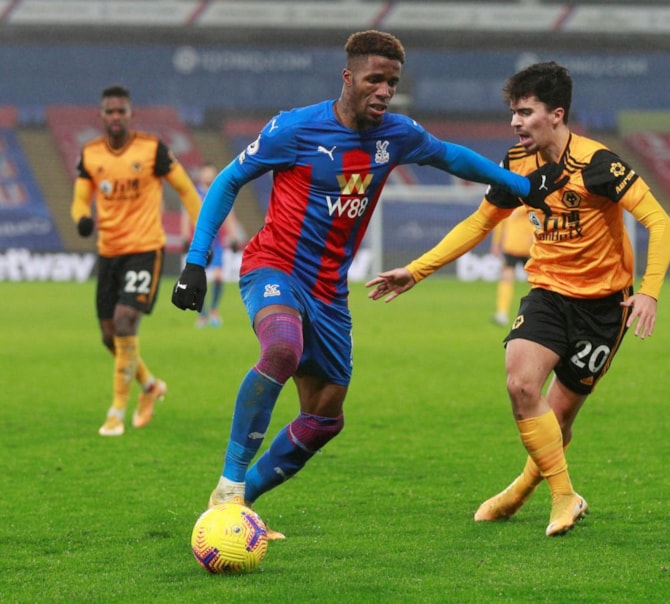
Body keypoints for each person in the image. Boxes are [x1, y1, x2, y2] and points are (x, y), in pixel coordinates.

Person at [171, 30, 563, 539]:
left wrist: (522, 186)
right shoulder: (294, 129)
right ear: (348, 77)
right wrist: (196, 261)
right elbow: (227, 180)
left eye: (392, 82)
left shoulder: (395, 135)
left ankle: (241, 503)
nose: (385, 91)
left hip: (330, 292)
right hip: (275, 268)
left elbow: (451, 156)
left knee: (325, 416)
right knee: (283, 348)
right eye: (375, 79)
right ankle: (227, 487)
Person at [367, 61, 670, 536]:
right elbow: (480, 222)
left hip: (603, 307)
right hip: (547, 293)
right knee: (521, 385)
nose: (515, 122)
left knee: (559, 419)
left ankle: (521, 490)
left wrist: (650, 292)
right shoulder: (517, 163)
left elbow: (660, 222)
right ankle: (564, 496)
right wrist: (417, 269)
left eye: (525, 112)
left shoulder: (598, 164)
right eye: (513, 112)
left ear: (556, 114)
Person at [71, 84, 202, 436]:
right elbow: (80, 198)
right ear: (101, 116)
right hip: (109, 253)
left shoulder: (152, 150)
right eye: (110, 111)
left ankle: (116, 412)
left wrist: (202, 234)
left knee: (125, 321)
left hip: (144, 249)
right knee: (109, 336)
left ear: (131, 115)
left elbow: (186, 189)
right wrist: (81, 218)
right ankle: (150, 386)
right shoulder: (90, 154)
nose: (116, 117)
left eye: (121, 111)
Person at [182, 163, 244, 328]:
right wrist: (185, 236)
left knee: (217, 277)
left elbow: (229, 215)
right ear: (201, 175)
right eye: (206, 173)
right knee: (197, 277)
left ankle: (214, 310)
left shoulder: (221, 190)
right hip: (198, 242)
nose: (209, 176)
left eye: (211, 173)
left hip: (217, 243)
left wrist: (234, 237)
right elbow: (186, 214)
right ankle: (202, 315)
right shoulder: (194, 193)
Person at [490, 205, 534, 326]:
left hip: (529, 247)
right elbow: (500, 222)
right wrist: (496, 243)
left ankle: (538, 312)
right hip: (513, 246)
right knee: (507, 277)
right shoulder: (511, 203)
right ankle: (502, 313)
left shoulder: (528, 202)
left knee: (536, 281)